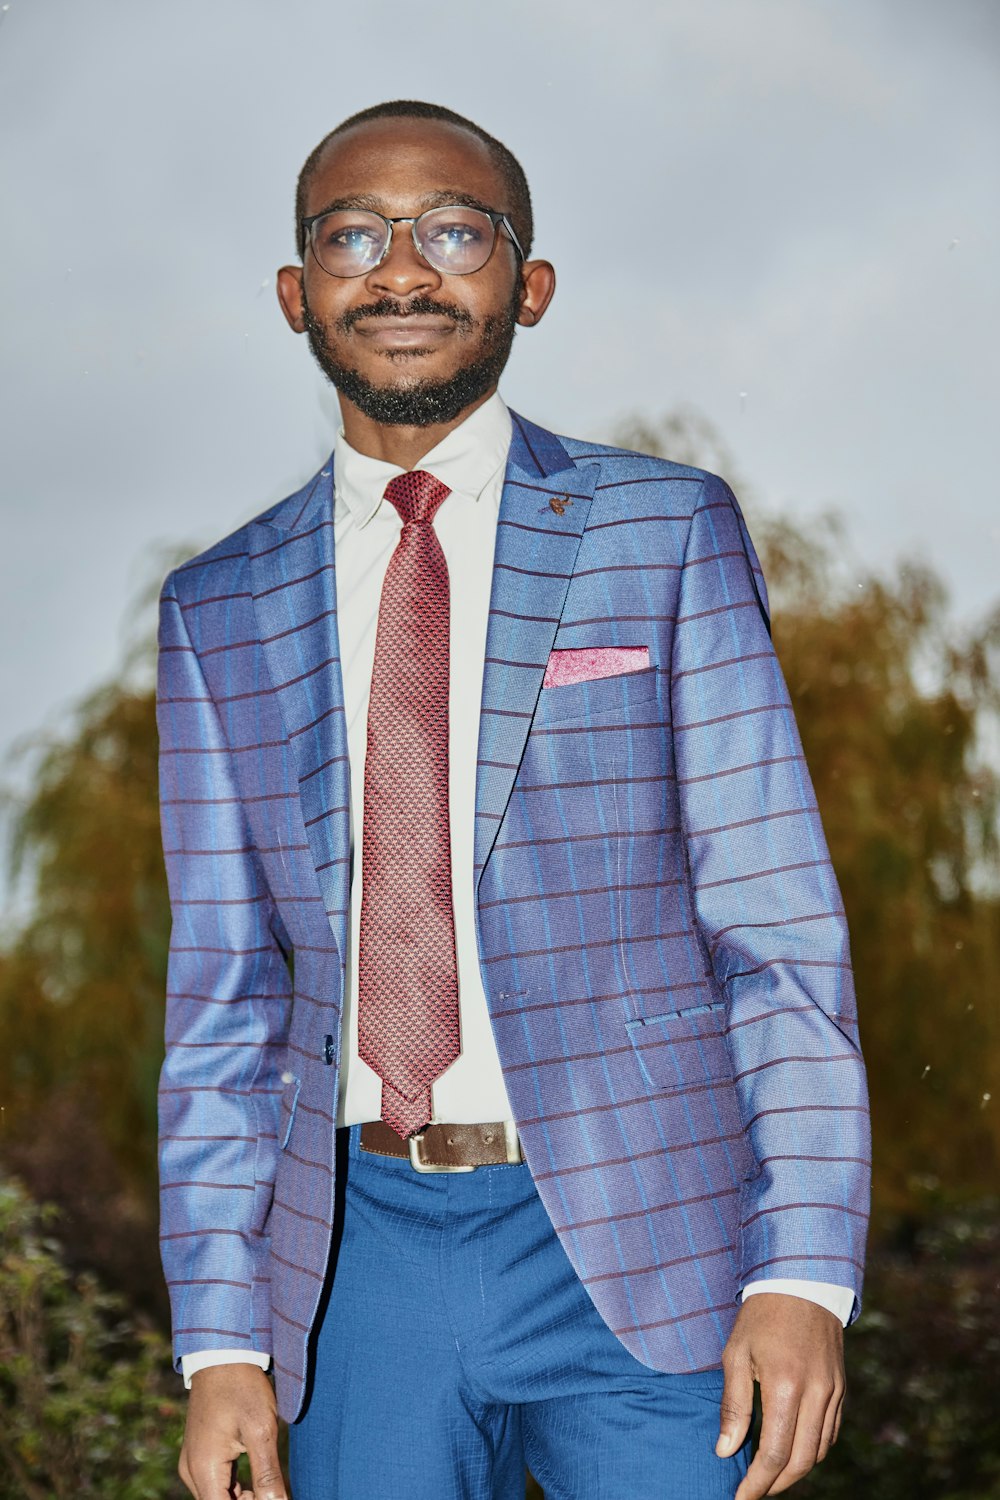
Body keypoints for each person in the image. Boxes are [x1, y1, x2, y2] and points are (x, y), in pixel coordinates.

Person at [156, 100, 870, 1500]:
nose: (403, 269)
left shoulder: (664, 531)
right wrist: (221, 1344)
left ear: (526, 285)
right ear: (298, 294)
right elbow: (224, 999)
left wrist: (803, 1270)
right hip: (354, 1268)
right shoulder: (216, 606)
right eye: (353, 235)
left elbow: (775, 927)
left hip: (650, 1243)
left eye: (454, 231)